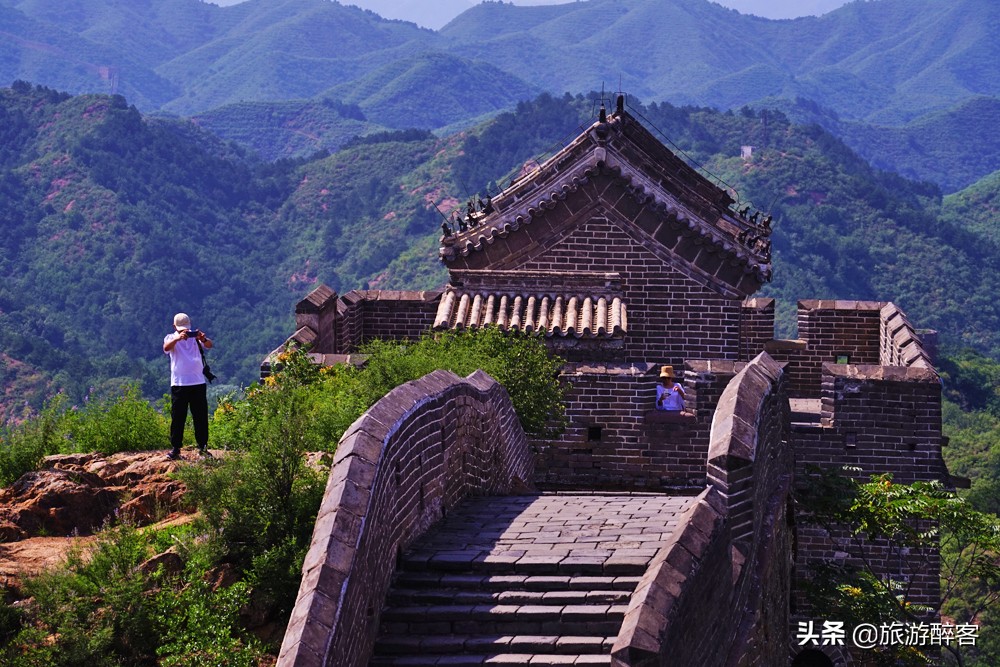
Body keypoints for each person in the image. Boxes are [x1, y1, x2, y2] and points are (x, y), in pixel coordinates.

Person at [163, 313, 213, 460]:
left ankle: (203, 447)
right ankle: (176, 448)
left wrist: (202, 338)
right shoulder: (170, 338)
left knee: (200, 417)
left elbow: (209, 345)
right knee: (178, 417)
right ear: (174, 328)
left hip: (198, 382)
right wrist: (177, 338)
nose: (184, 332)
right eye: (180, 330)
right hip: (179, 383)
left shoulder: (194, 339)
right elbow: (166, 348)